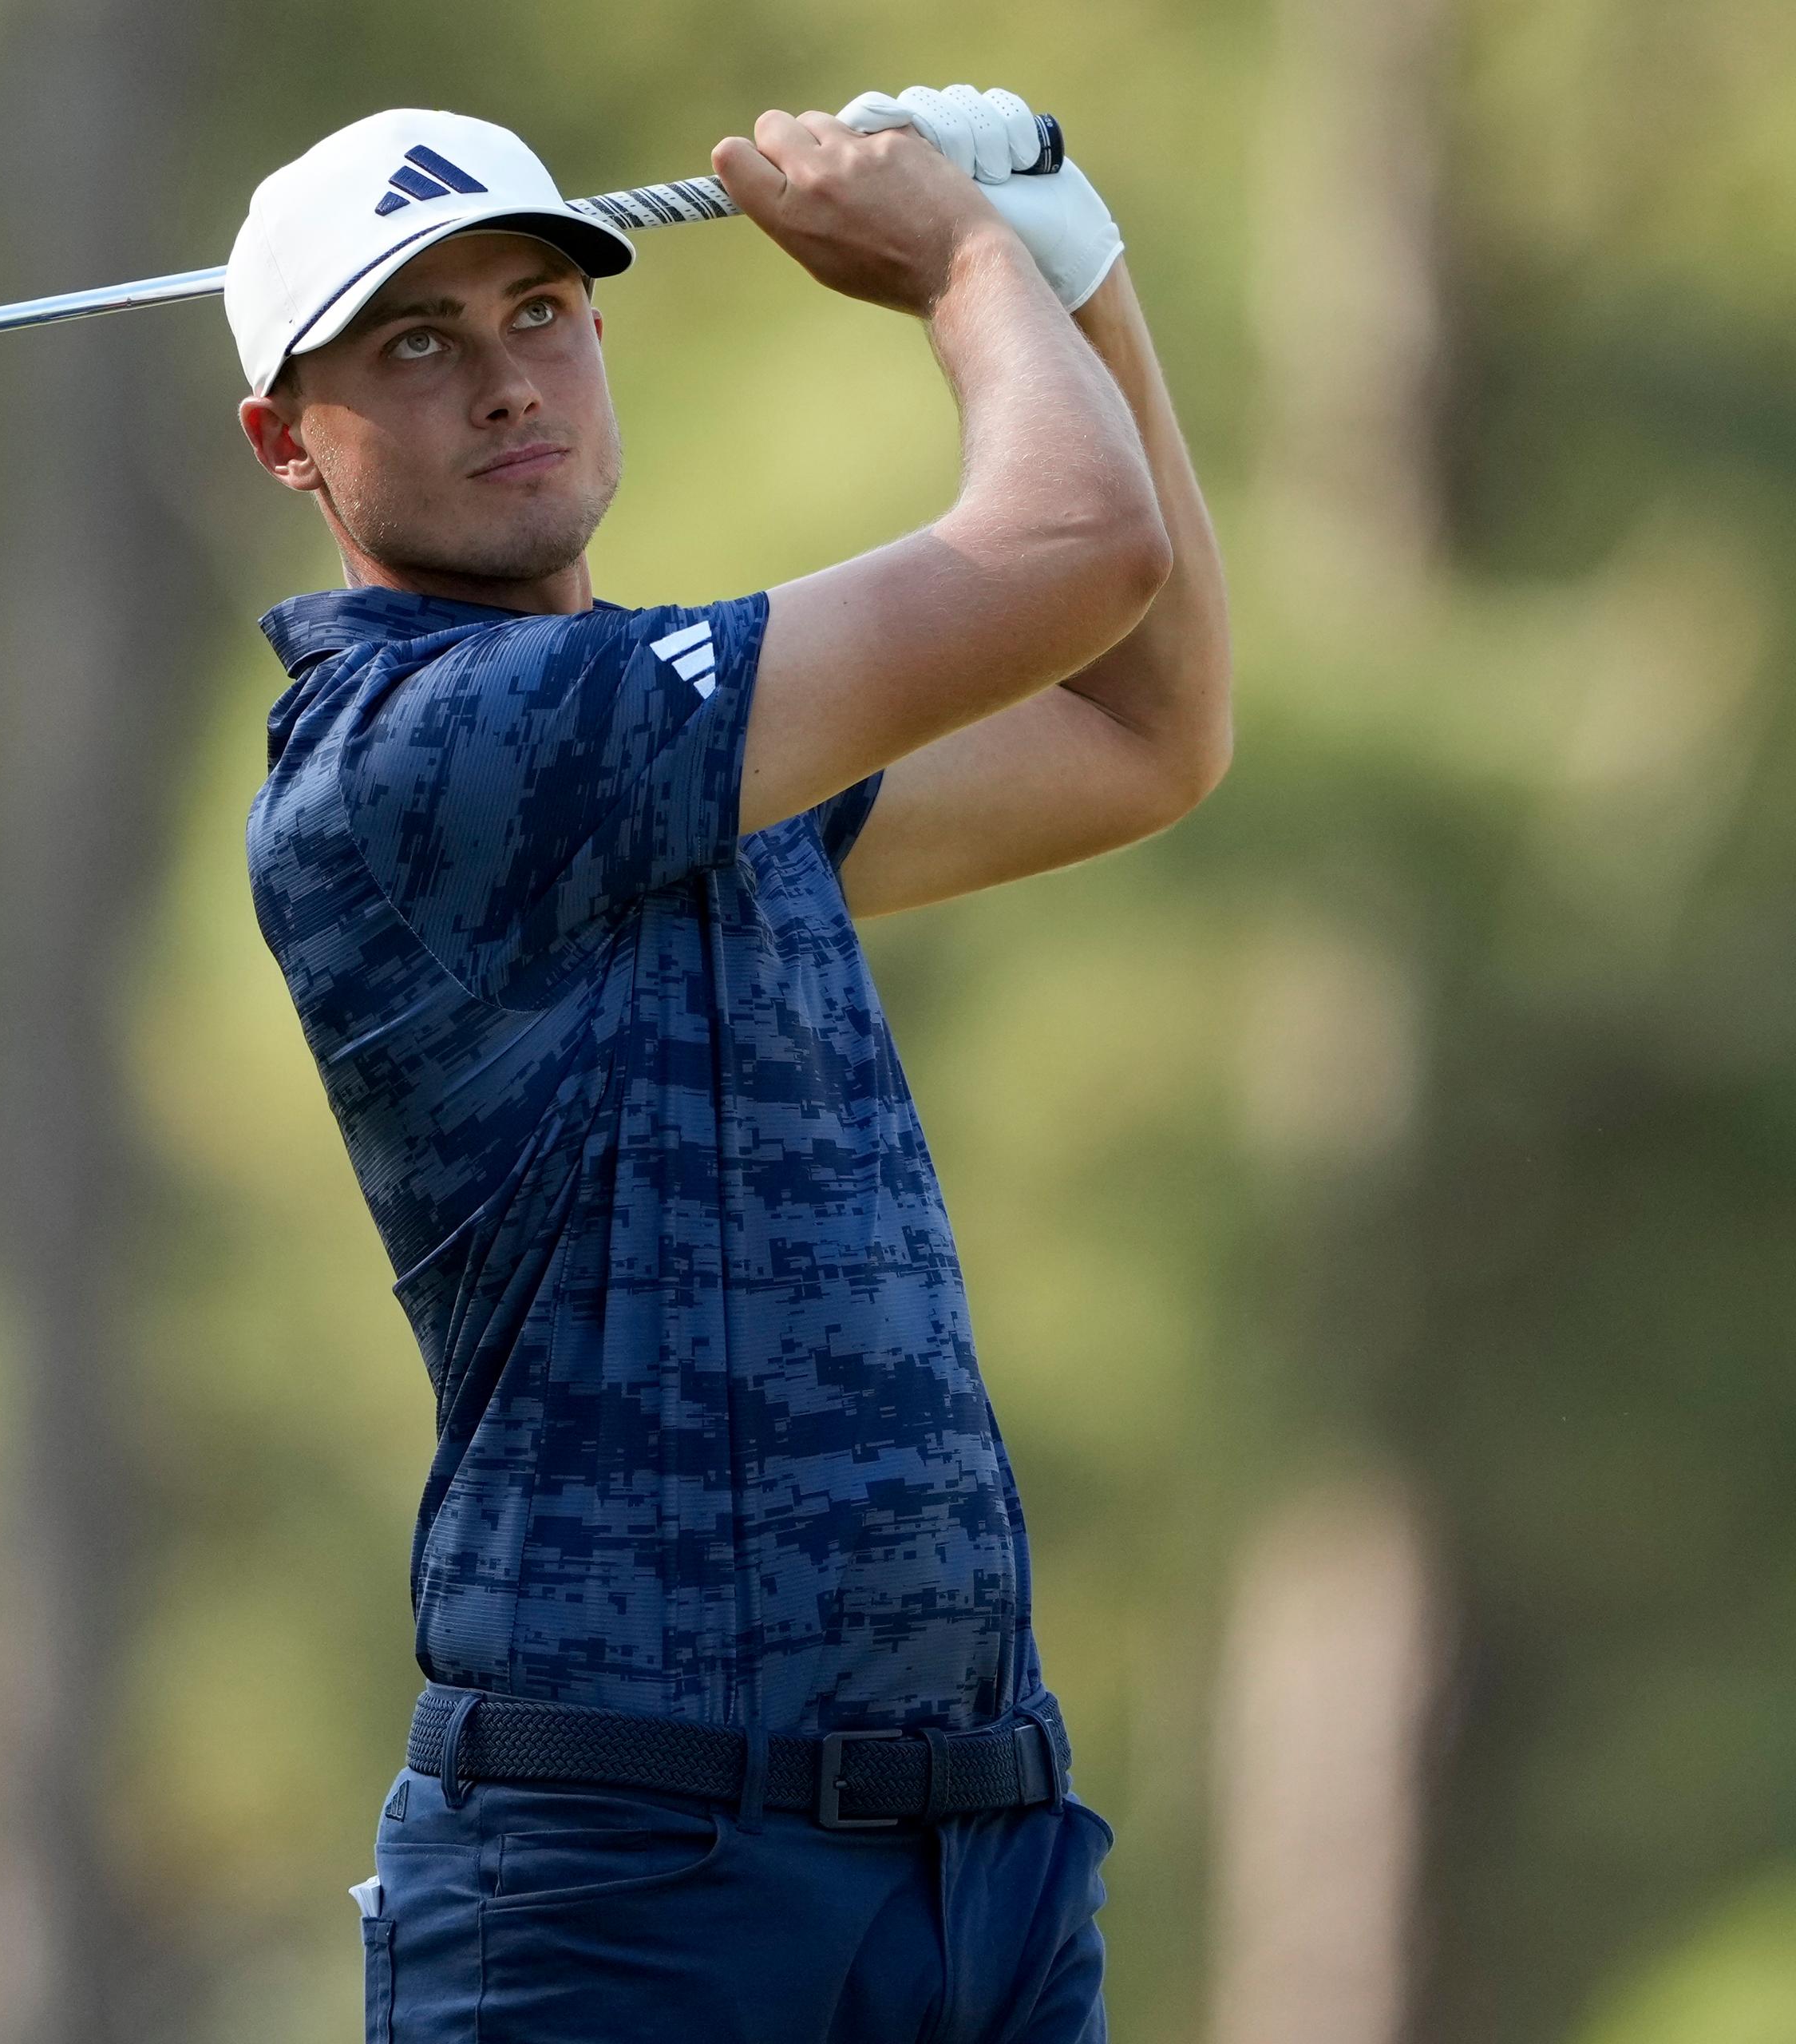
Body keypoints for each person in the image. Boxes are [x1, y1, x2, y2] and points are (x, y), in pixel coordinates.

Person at [225, 86, 1229, 2042]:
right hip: (634, 1893)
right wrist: (960, 267)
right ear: (287, 441)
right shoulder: (421, 759)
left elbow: (1147, 728)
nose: (505, 379)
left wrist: (1079, 275)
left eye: (539, 310)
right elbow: (1076, 542)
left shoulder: (688, 755)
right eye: (415, 343)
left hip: (976, 1868)